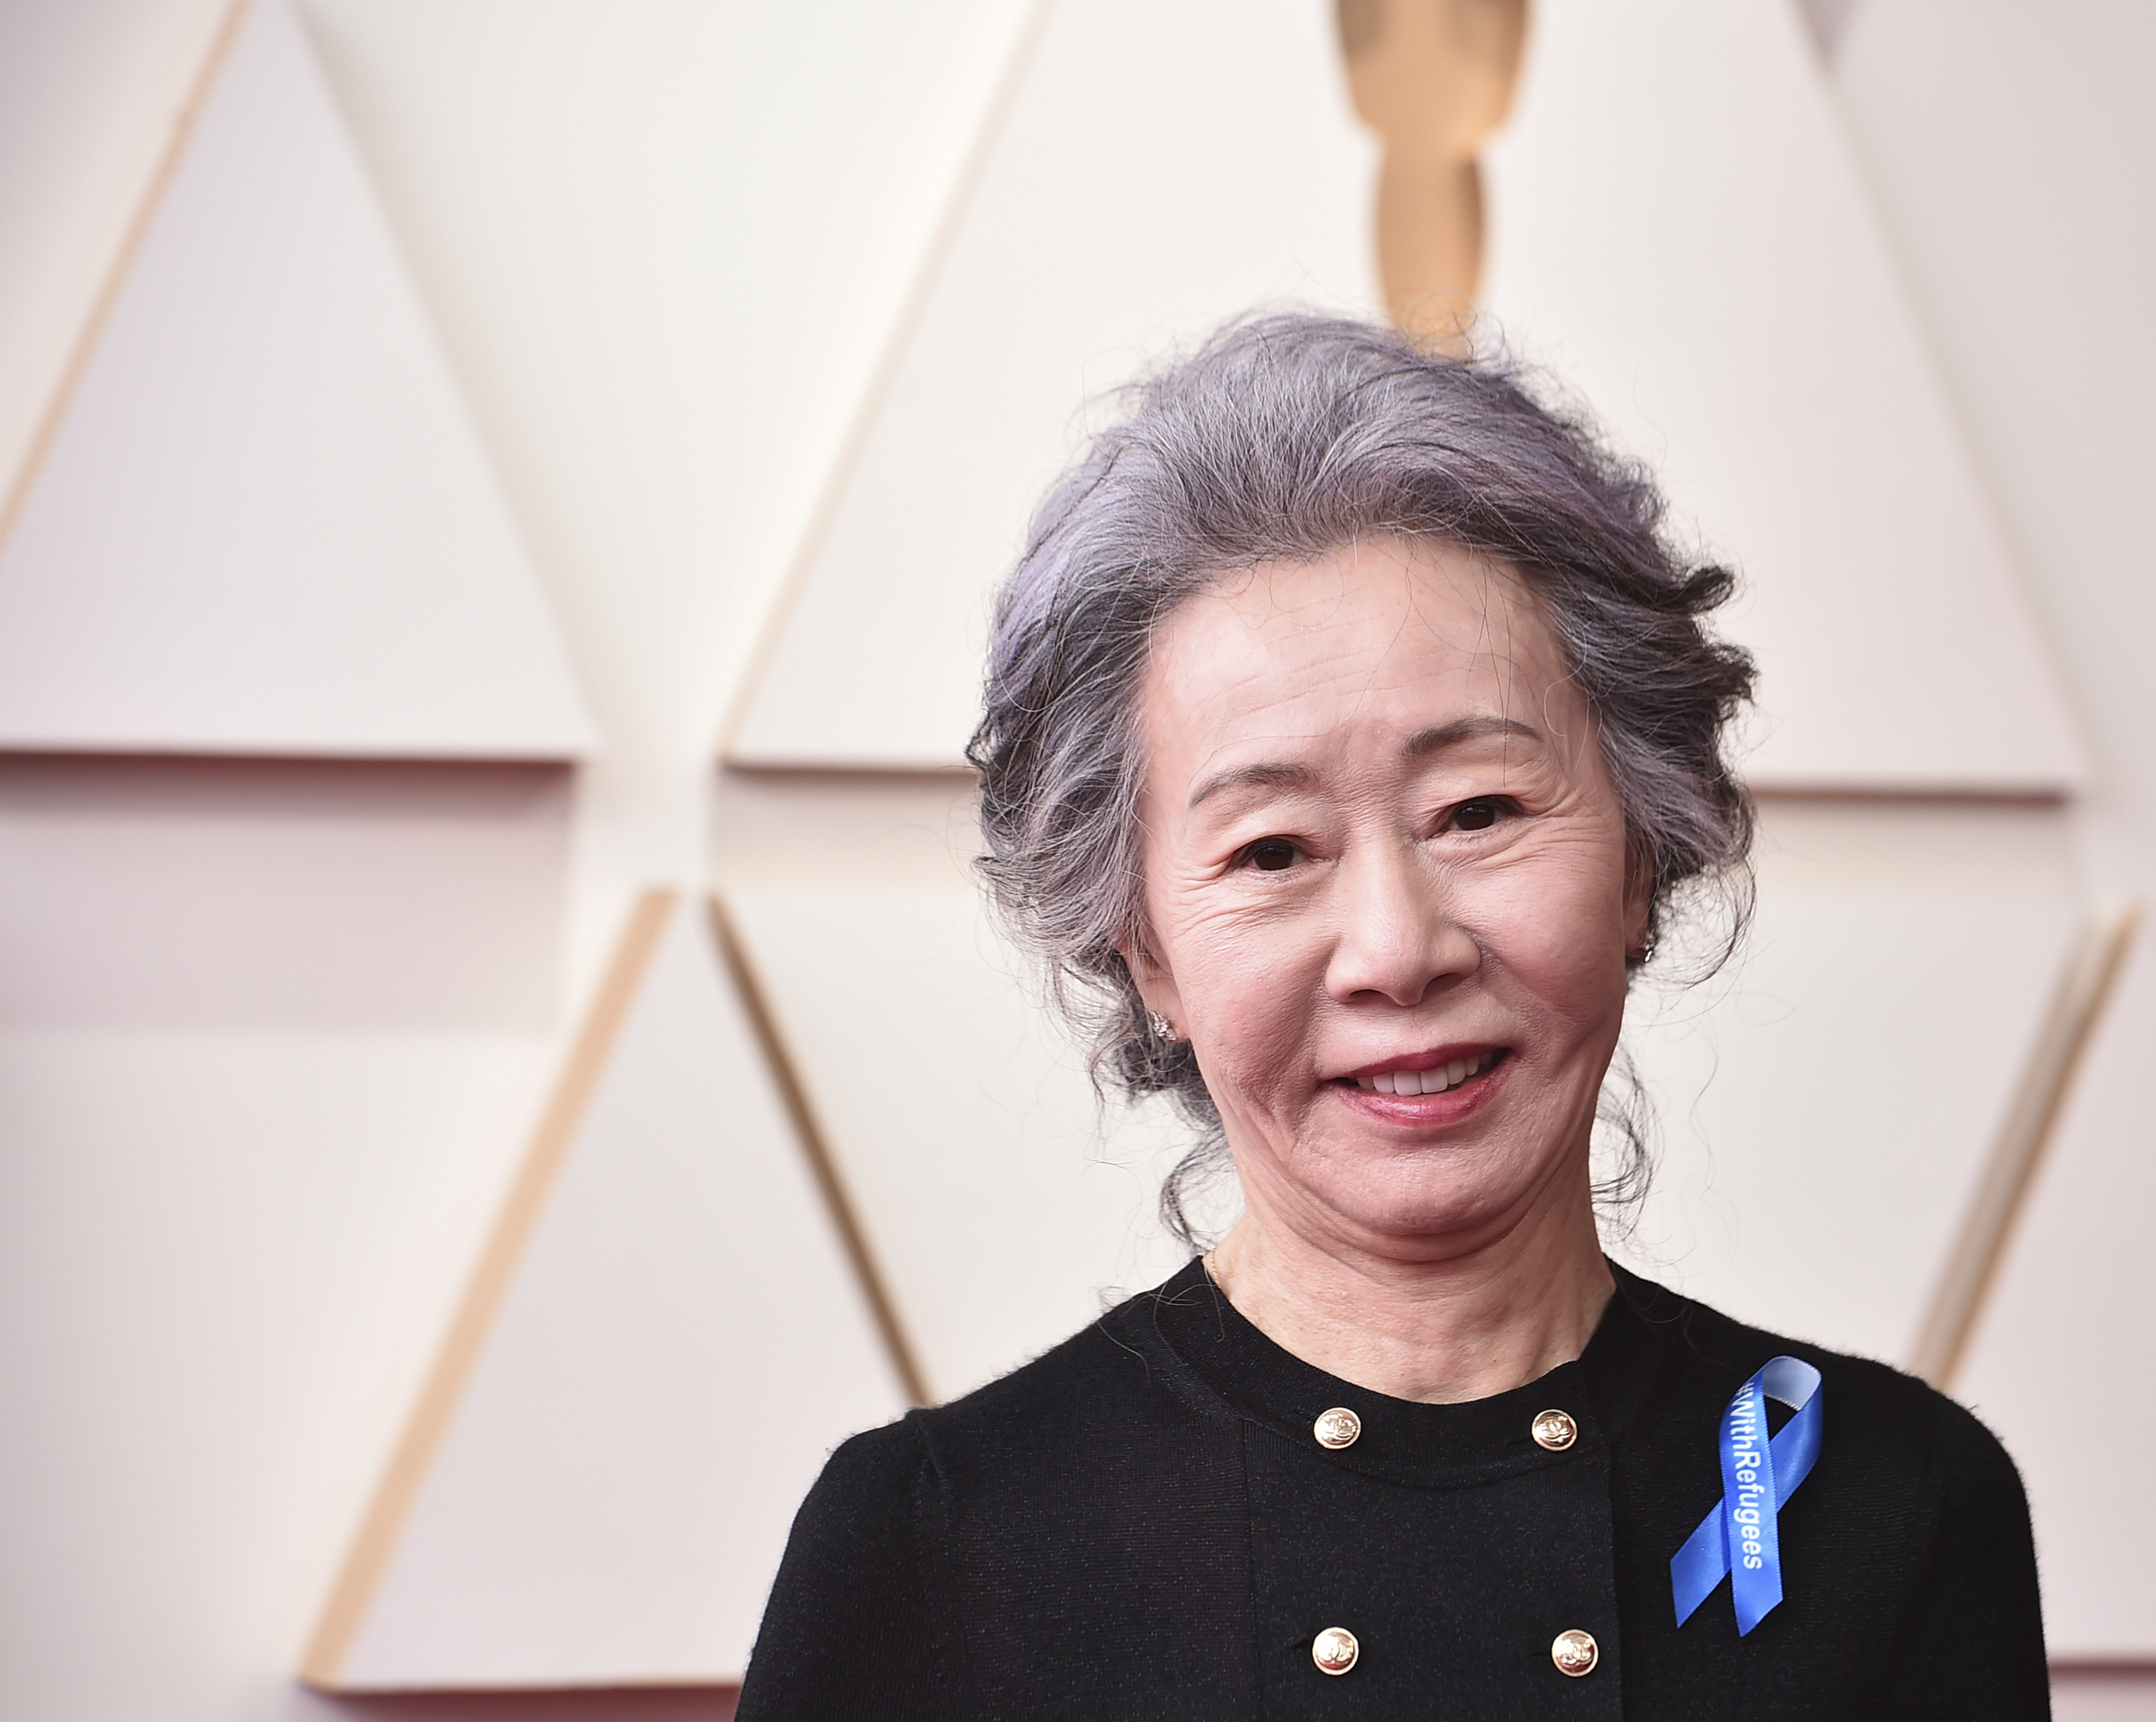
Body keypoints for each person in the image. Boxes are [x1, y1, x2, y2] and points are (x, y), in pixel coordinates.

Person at [737, 314, 2048, 1718]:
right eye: (1272, 849)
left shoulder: (1891, 1501)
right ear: (1149, 955)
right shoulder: (935, 1543)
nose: (1396, 948)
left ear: (1639, 856)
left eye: (1477, 810)